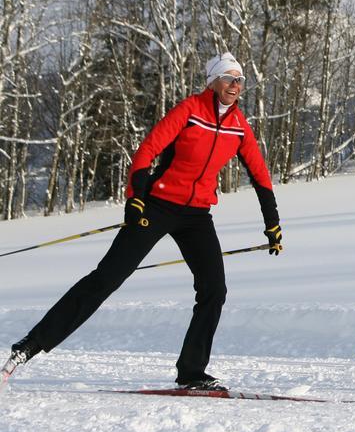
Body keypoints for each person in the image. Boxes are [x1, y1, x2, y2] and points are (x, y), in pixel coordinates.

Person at [4, 52, 283, 390]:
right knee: (107, 278)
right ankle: (28, 347)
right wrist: (135, 197)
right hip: (158, 206)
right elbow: (148, 150)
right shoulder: (190, 111)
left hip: (196, 216)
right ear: (213, 82)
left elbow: (260, 174)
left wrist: (272, 223)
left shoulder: (239, 127)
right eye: (228, 78)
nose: (235, 85)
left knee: (214, 290)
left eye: (239, 80)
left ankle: (192, 372)